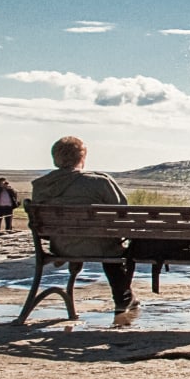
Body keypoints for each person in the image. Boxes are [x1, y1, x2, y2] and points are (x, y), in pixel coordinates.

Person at [30, 136, 139, 327]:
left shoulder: (42, 186)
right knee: (117, 252)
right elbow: (122, 214)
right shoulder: (99, 182)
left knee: (108, 246)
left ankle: (126, 298)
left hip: (62, 247)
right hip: (101, 246)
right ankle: (123, 298)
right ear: (82, 157)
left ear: (55, 158)